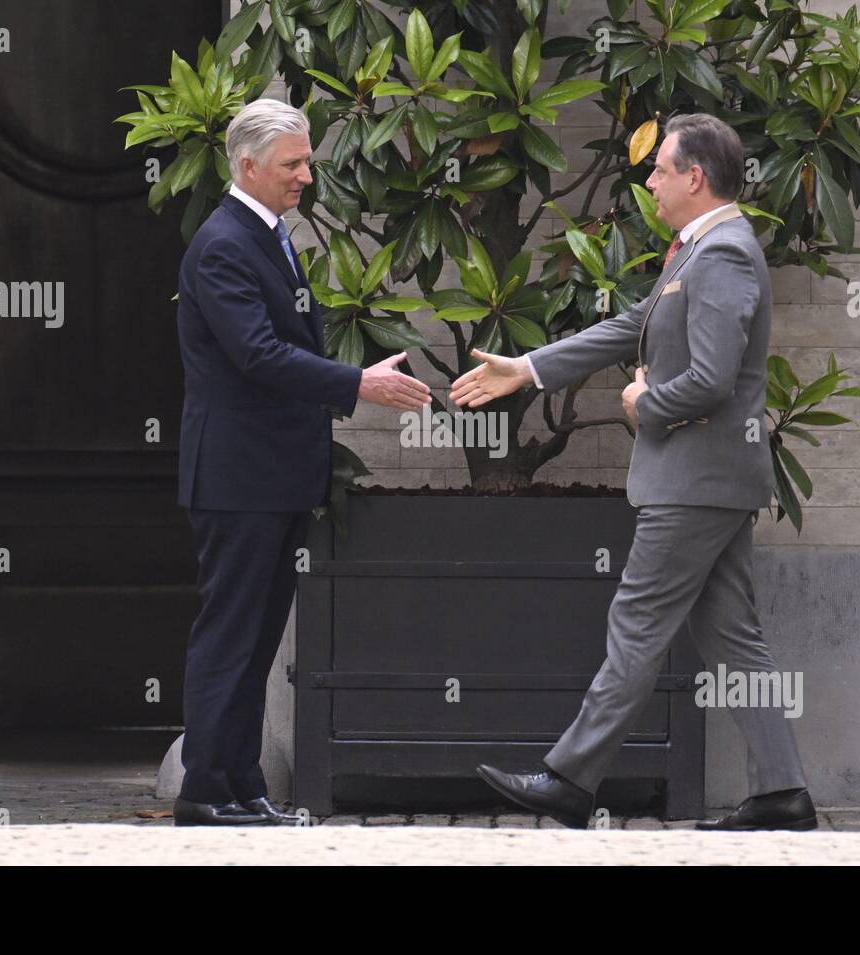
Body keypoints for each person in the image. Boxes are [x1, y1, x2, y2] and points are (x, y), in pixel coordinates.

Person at [450, 113, 816, 832]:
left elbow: (712, 379)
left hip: (695, 479)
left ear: (694, 177)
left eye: (659, 170)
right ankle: (782, 793)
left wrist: (645, 403)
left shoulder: (724, 257)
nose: (649, 182)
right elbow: (630, 327)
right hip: (707, 480)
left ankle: (569, 778)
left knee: (637, 622)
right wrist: (527, 368)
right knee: (734, 638)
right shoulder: (697, 253)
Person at [173, 98, 430, 826]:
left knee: (256, 638)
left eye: (307, 159)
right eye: (292, 164)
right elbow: (256, 354)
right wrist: (359, 382)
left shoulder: (269, 235)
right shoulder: (224, 244)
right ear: (247, 165)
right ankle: (203, 789)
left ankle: (241, 782)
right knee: (231, 631)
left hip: (273, 473)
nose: (306, 176)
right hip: (236, 476)